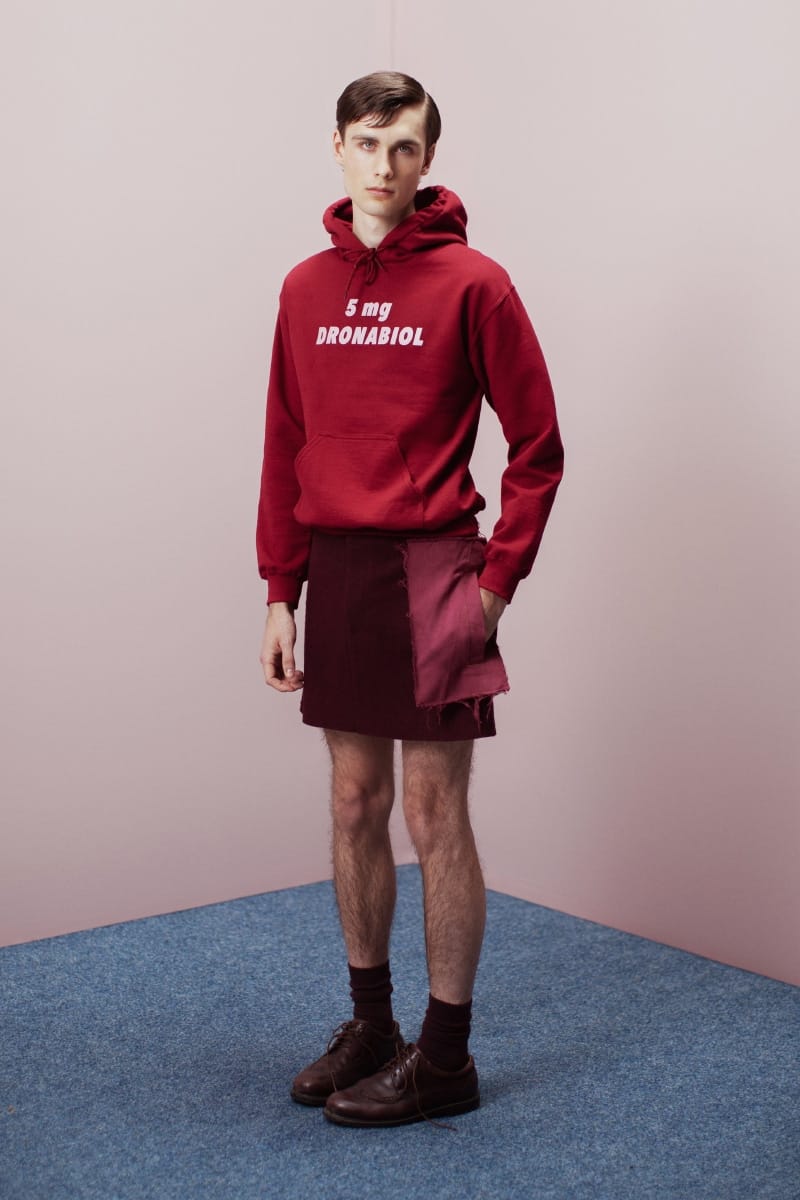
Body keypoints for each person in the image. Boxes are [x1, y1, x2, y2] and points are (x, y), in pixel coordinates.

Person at [256, 70, 563, 1128]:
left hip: (436, 567)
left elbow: (538, 448)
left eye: (404, 147)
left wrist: (495, 584)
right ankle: (372, 1026)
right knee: (354, 803)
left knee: (434, 813)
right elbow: (285, 443)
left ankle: (444, 1058)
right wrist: (280, 588)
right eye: (366, 142)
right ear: (338, 147)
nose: (383, 165)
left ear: (428, 159)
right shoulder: (303, 289)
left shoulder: (475, 284)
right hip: (339, 565)